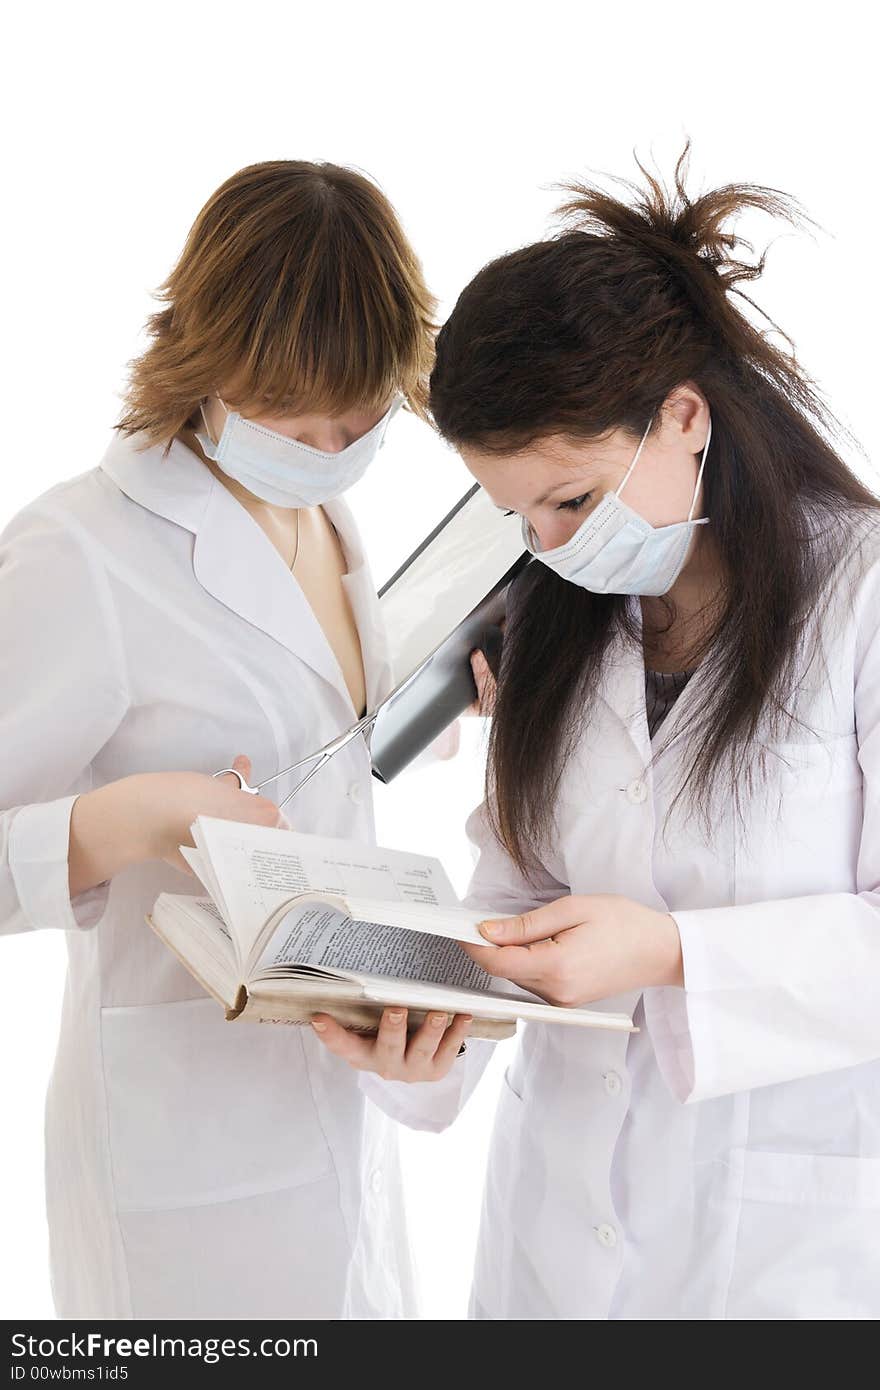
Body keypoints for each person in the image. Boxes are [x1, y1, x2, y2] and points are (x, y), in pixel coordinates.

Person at [313, 149, 880, 1319]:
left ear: (683, 416)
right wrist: (438, 1029)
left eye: (571, 499)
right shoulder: (557, 619)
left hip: (779, 1253)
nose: (550, 542)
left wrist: (671, 953)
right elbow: (520, 889)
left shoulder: (861, 595)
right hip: (549, 1249)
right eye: (514, 513)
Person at [0, 159, 437, 1319]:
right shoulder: (79, 554)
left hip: (334, 1095)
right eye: (296, 417)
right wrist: (120, 820)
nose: (329, 443)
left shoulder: (322, 513)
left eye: (360, 419)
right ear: (208, 360)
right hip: (181, 1143)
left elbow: (306, 741)